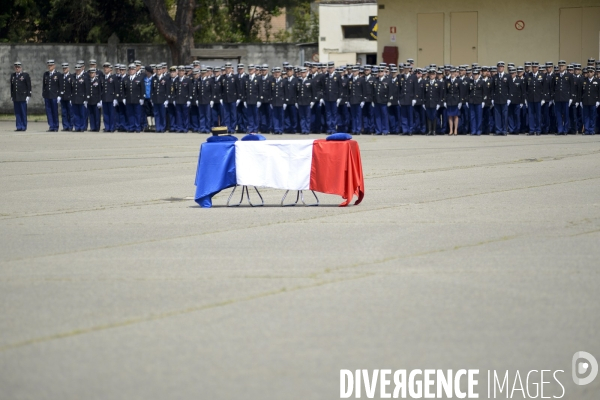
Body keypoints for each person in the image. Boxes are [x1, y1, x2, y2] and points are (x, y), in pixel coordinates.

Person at [122, 63, 145, 133]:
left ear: (135, 70)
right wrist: (123, 98)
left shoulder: (139, 78)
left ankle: (137, 127)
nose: (131, 71)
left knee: (137, 114)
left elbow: (142, 89)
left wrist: (142, 98)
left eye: (133, 69)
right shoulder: (125, 79)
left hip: (137, 99)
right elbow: (123, 90)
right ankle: (131, 127)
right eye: (130, 70)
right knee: (130, 114)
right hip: (129, 99)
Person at [10, 61, 31, 132]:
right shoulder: (13, 75)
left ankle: (23, 126)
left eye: (18, 67)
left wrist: (28, 95)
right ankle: (18, 126)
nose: (17, 68)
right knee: (17, 112)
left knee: (23, 112)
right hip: (16, 96)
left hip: (23, 96)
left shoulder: (25, 75)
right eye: (16, 67)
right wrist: (12, 95)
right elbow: (12, 87)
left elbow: (29, 86)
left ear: (21, 68)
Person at [172, 65, 192, 133]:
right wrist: (174, 99)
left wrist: (189, 99)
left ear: (184, 72)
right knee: (178, 115)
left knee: (185, 115)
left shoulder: (188, 80)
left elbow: (190, 91)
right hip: (178, 100)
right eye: (180, 71)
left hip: (185, 100)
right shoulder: (176, 80)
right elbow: (174, 91)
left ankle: (185, 128)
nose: (181, 72)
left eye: (182, 71)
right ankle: (179, 127)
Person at [71, 64, 90, 132]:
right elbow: (71, 88)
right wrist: (71, 98)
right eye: (76, 70)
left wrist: (86, 99)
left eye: (79, 70)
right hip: (74, 99)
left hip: (82, 99)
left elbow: (87, 89)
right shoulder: (72, 77)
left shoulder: (84, 78)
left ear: (81, 70)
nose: (77, 71)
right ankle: (77, 126)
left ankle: (82, 127)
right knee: (76, 114)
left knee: (82, 114)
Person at [42, 60, 60, 132]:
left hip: (54, 95)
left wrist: (59, 95)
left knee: (54, 111)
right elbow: (44, 85)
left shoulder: (58, 74)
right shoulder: (46, 74)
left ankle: (56, 126)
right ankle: (51, 126)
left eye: (51, 65)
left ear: (54, 66)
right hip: (47, 95)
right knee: (48, 111)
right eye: (49, 65)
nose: (50, 67)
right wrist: (43, 93)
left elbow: (59, 85)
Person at [424, 68, 443, 136]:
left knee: (434, 117)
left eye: (433, 74)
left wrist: (439, 103)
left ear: (435, 75)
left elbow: (440, 94)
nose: (431, 75)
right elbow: (424, 94)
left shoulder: (439, 83)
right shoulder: (426, 82)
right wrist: (424, 102)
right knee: (429, 117)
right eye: (430, 74)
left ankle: (434, 130)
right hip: (428, 102)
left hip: (435, 103)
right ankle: (429, 130)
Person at [101, 63, 119, 132]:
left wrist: (115, 98)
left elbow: (116, 88)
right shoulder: (102, 77)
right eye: (104, 68)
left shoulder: (113, 77)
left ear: (110, 69)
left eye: (107, 68)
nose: (105, 69)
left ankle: (112, 127)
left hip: (111, 98)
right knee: (105, 114)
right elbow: (101, 89)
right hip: (104, 98)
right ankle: (107, 127)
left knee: (112, 114)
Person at [581, 67, 599, 135]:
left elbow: (598, 92)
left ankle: (591, 130)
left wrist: (598, 101)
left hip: (593, 101)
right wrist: (580, 101)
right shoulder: (584, 81)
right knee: (586, 116)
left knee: (592, 116)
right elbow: (581, 92)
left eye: (591, 72)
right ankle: (587, 130)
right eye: (588, 72)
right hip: (585, 101)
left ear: (594, 73)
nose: (589, 73)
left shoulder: (597, 81)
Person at [445, 68, 461, 135]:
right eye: (451, 73)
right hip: (449, 100)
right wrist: (445, 101)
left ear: (455, 73)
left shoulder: (458, 81)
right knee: (450, 116)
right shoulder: (447, 81)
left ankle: (455, 130)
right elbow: (445, 91)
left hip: (456, 100)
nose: (452, 74)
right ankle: (451, 130)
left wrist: (460, 101)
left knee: (456, 116)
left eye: (453, 73)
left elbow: (461, 92)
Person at [59, 62, 74, 131]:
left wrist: (72, 97)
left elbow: (73, 88)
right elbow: (59, 87)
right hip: (63, 97)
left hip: (69, 97)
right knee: (64, 113)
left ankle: (70, 126)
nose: (64, 69)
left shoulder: (71, 77)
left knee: (70, 113)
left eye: (65, 68)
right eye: (63, 68)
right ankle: (65, 126)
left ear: (68, 68)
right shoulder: (61, 77)